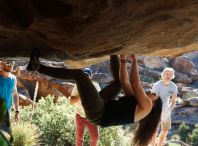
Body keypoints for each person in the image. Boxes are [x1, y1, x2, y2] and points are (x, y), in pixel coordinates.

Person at [26, 48, 162, 146]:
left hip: (98, 114)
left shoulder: (147, 107)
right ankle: (113, 50)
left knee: (79, 76)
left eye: (154, 95)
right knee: (118, 83)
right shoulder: (139, 103)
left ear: (154, 105)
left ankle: (37, 67)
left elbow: (134, 83)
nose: (151, 91)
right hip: (104, 104)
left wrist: (134, 60)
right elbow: (125, 82)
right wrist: (122, 61)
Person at [70, 68, 100, 146]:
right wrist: (82, 95)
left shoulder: (96, 86)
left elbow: (101, 100)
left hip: (92, 116)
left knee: (95, 137)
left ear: (90, 77)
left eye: (87, 76)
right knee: (79, 138)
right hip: (80, 115)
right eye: (84, 75)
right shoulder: (77, 86)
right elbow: (71, 101)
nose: (86, 78)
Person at [149, 67, 178, 146]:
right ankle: (152, 145)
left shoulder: (174, 86)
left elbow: (173, 101)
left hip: (166, 111)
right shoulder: (157, 85)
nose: (168, 76)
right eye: (166, 74)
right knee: (154, 129)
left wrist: (169, 109)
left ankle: (159, 145)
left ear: (172, 76)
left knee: (165, 129)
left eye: (170, 74)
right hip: (156, 110)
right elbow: (152, 99)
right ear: (163, 75)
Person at [0, 60, 20, 141]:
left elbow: (15, 95)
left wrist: (17, 112)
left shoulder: (13, 78)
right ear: (2, 63)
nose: (11, 65)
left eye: (13, 63)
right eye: (8, 62)